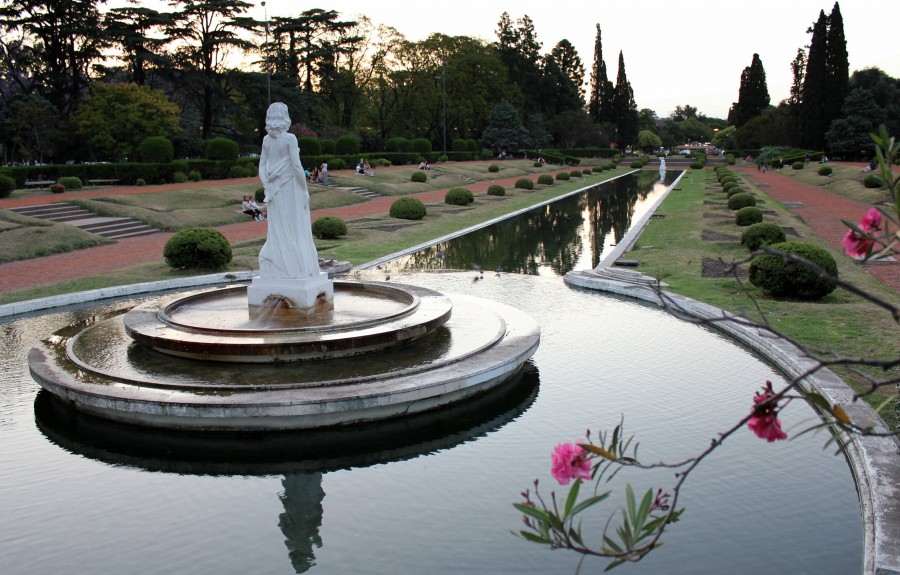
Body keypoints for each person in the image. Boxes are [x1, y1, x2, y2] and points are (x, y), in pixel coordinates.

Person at [257, 102, 321, 280]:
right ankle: (297, 266)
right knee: (295, 225)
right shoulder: (290, 139)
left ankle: (283, 265)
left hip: (274, 191)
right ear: (284, 117)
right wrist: (305, 189)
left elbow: (262, 167)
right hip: (289, 189)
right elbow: (297, 167)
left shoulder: (266, 140)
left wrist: (267, 185)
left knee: (278, 227)